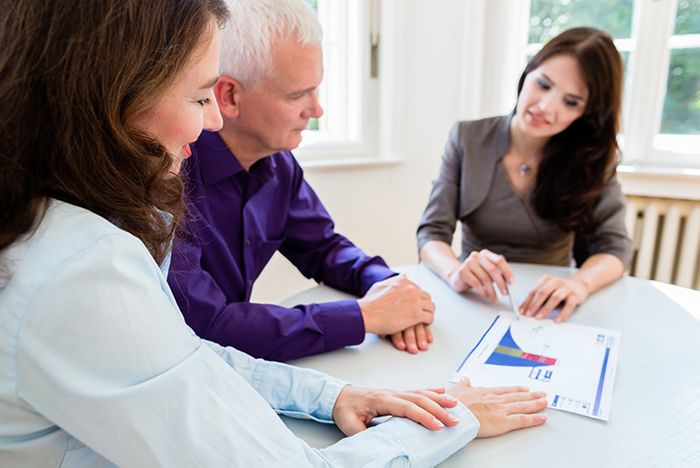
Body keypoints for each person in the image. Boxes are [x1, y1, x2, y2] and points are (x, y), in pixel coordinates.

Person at [0, 0, 547, 466]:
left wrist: (336, 390)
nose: (210, 119)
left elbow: (184, 352)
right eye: (198, 97)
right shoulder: (91, 262)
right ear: (106, 100)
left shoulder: (67, 222)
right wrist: (454, 418)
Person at [167, 0, 434, 361]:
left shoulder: (279, 164)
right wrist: (364, 316)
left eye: (316, 89)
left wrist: (387, 285)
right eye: (297, 95)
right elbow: (207, 325)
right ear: (228, 96)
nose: (317, 109)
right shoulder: (171, 176)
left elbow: (323, 248)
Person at [417, 27, 633, 323]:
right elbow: (431, 233)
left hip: (550, 307)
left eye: (571, 102)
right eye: (543, 84)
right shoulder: (467, 138)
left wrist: (579, 284)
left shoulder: (592, 159)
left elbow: (615, 247)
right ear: (527, 72)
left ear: (587, 113)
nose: (545, 107)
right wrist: (455, 271)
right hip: (475, 299)